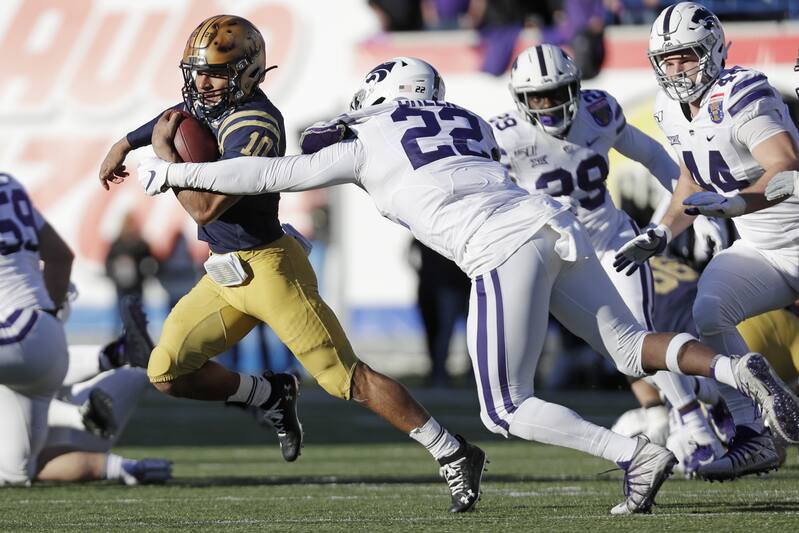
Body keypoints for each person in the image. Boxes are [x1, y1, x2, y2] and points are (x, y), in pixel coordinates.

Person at [137, 56, 799, 515]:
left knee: (504, 408)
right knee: (632, 349)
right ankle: (734, 366)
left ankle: (633, 455)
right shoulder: (467, 122)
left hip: (498, 247)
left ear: (376, 94)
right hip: (551, 229)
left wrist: (174, 176)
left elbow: (268, 175)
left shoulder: (366, 134)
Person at [99, 15, 485, 513]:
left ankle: (452, 450)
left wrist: (164, 157)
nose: (202, 82)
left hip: (270, 269)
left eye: (216, 73)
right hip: (224, 273)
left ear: (248, 73)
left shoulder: (254, 123)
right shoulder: (206, 103)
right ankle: (270, 395)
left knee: (346, 379)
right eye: (197, 71)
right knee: (167, 372)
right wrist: (122, 145)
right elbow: (172, 119)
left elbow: (204, 207)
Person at [490, 43, 724, 477]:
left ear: (576, 87)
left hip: (612, 245)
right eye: (538, 97)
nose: (549, 105)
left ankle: (696, 424)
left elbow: (654, 156)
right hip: (560, 257)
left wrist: (698, 208)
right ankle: (710, 396)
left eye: (558, 92)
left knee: (640, 339)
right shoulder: (503, 136)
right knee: (622, 356)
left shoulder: (598, 112)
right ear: (520, 100)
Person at [613, 1, 799, 480]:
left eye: (687, 57)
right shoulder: (668, 108)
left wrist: (738, 204)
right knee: (708, 312)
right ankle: (753, 434)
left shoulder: (742, 91)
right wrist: (661, 230)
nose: (677, 70)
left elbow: (786, 166)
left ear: (714, 51)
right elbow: (690, 182)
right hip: (763, 249)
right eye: (667, 61)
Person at [0, 173, 168, 486]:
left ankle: (105, 372)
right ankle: (110, 363)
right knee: (15, 472)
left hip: (26, 332)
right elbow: (61, 256)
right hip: (44, 338)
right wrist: (48, 319)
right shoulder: (8, 185)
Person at [38, 295, 172, 485]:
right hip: (76, 438)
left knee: (140, 371)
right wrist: (118, 466)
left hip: (78, 424)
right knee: (19, 467)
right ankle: (117, 354)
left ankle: (119, 355)